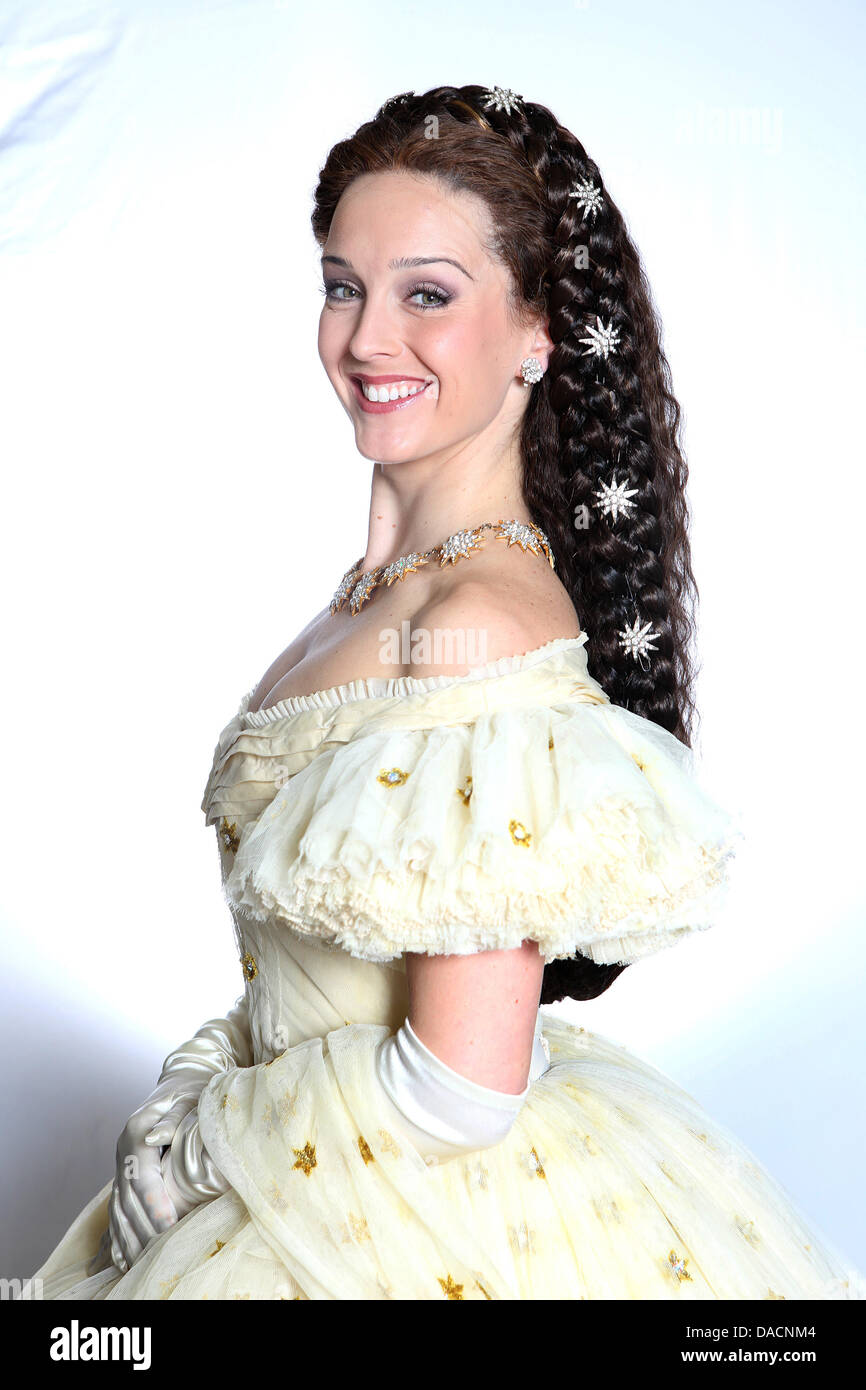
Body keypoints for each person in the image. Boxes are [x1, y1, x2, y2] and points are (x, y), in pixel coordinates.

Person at [27, 84, 865, 1301]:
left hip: (391, 1220)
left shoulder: (472, 624)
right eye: (340, 284)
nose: (367, 338)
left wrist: (213, 1145)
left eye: (426, 292)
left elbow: (461, 1091)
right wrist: (199, 1082)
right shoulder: (379, 592)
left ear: (536, 329)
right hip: (319, 1163)